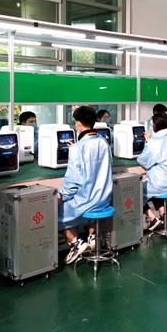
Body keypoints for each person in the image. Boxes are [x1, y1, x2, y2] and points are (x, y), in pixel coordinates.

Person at [58, 106, 113, 264]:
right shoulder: (104, 142)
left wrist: (61, 198)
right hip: (104, 199)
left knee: (53, 214)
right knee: (88, 205)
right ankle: (92, 235)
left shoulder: (78, 148)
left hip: (87, 201)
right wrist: (75, 149)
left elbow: (72, 183)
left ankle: (76, 243)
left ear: (78, 124)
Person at [138, 113, 167, 231]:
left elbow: (143, 161)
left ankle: (152, 218)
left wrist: (148, 143)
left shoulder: (155, 143)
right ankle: (164, 215)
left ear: (155, 125)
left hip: (160, 185)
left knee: (136, 191)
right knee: (154, 184)